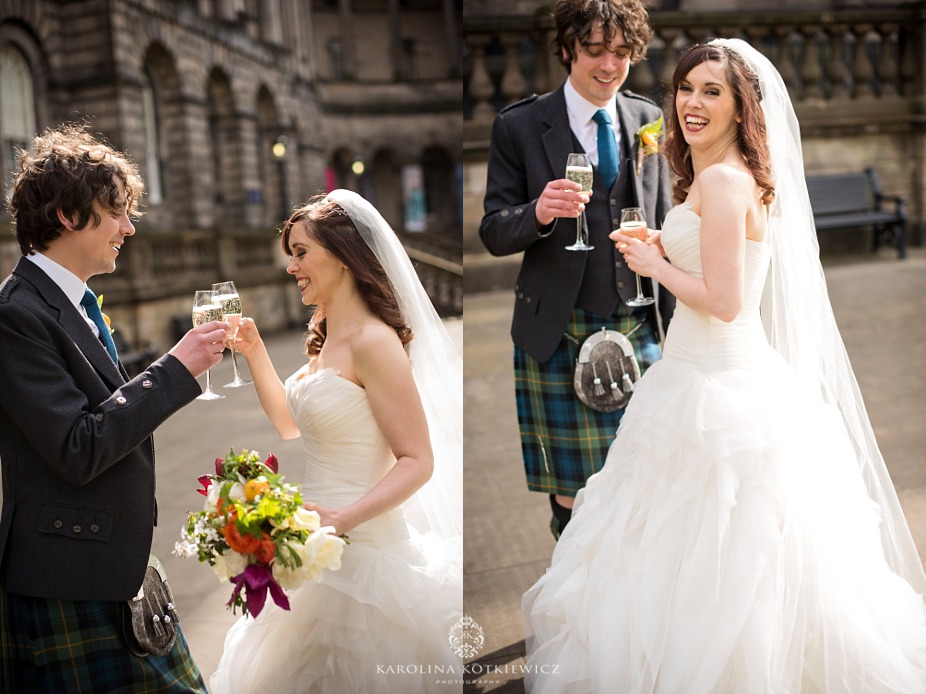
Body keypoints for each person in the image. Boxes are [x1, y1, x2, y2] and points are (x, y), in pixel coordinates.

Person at [521, 39, 926, 693]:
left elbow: (727, 301)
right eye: (686, 88)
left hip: (715, 384)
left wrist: (653, 264)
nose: (692, 102)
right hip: (699, 374)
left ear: (742, 108)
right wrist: (665, 242)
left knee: (717, 550)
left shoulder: (720, 180)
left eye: (712, 91)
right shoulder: (731, 175)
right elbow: (723, 261)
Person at [0, 124, 228, 691]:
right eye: (116, 213)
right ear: (68, 216)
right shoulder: (15, 314)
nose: (129, 228)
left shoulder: (69, 300)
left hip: (112, 565)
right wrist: (175, 369)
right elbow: (78, 447)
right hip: (66, 580)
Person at [209, 190, 463, 693]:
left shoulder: (374, 341)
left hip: (367, 556)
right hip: (312, 552)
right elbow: (289, 424)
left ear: (343, 256)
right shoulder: (327, 339)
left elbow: (417, 460)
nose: (291, 267)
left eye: (301, 253)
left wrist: (344, 519)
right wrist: (255, 350)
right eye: (291, 255)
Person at [479, 0, 675, 538]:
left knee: (648, 475)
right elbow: (494, 230)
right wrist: (538, 213)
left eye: (622, 53)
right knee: (575, 492)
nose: (609, 66)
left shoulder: (648, 119)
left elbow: (664, 216)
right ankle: (575, 583)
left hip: (640, 322)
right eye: (594, 51)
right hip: (557, 331)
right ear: (567, 50)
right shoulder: (519, 126)